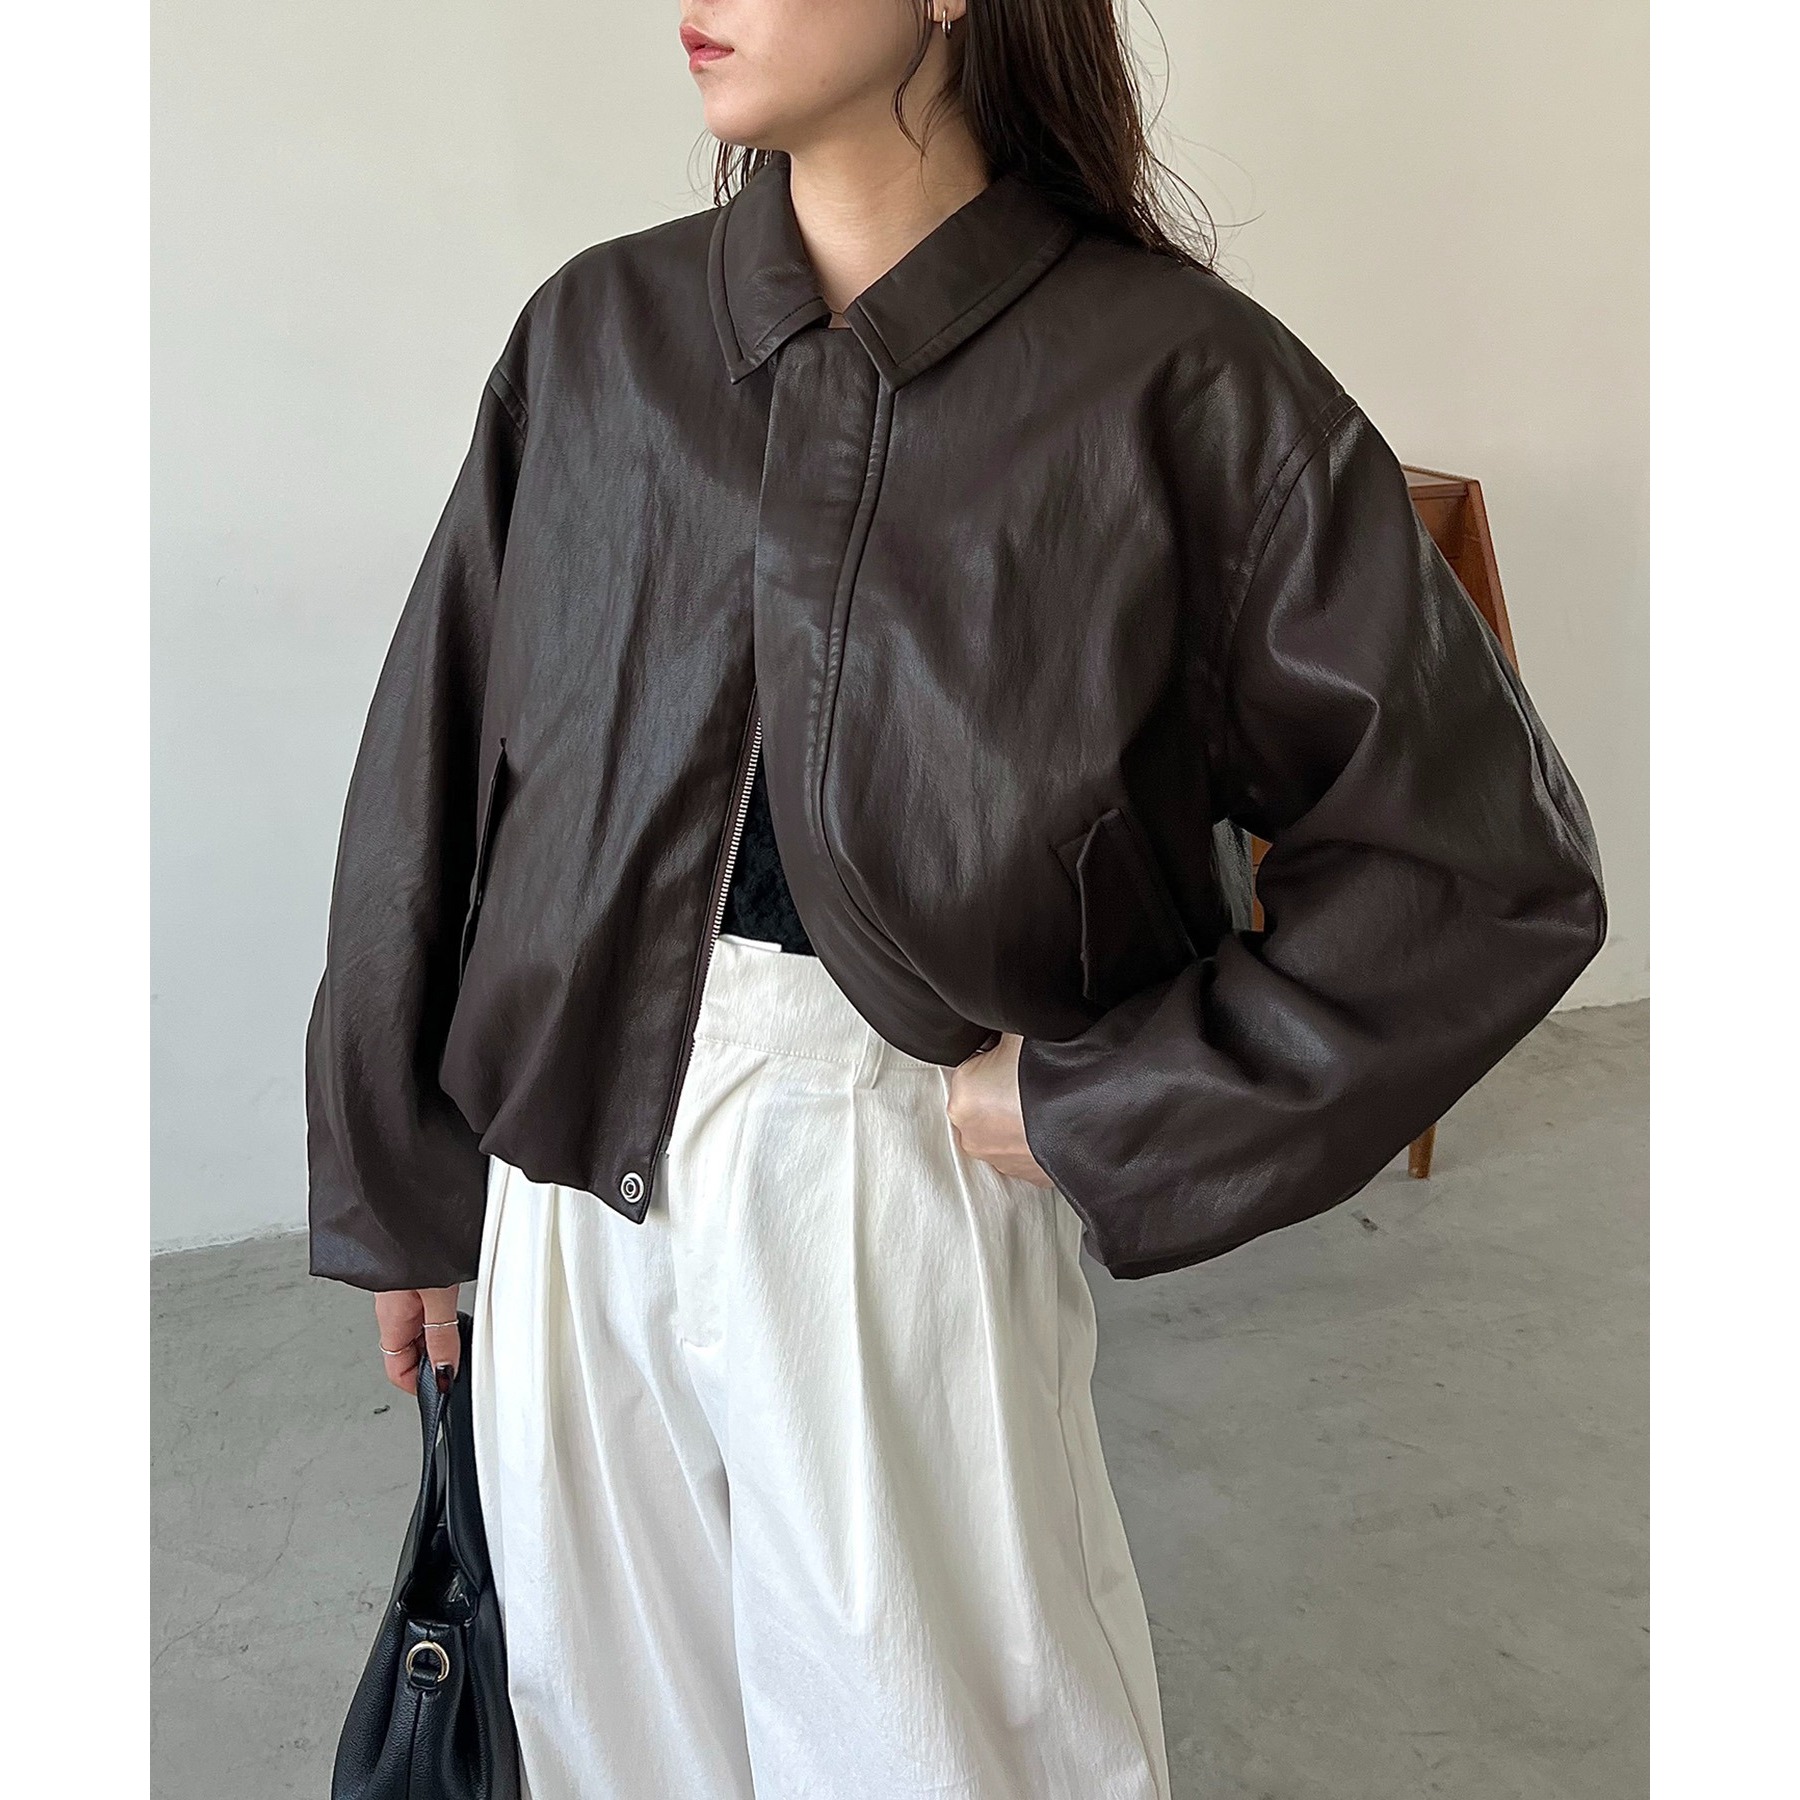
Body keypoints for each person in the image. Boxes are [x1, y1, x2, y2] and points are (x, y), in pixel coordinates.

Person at [304, 1, 1607, 1794]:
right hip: (564, 1173)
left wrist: (1105, 1100)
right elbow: (437, 765)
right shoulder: (598, 334)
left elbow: (1477, 872)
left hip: (887, 1172)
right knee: (612, 1748)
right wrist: (405, 1184)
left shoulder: (1181, 385)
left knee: (937, 1751)